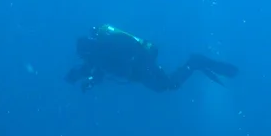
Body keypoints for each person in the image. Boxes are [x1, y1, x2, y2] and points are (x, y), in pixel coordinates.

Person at [66, 25, 238, 92]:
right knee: (167, 86)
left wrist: (140, 62)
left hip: (142, 67)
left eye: (83, 55)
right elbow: (97, 72)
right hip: (140, 71)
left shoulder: (105, 48)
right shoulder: (97, 56)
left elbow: (128, 48)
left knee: (168, 85)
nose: (83, 58)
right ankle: (194, 63)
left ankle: (194, 62)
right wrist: (87, 80)